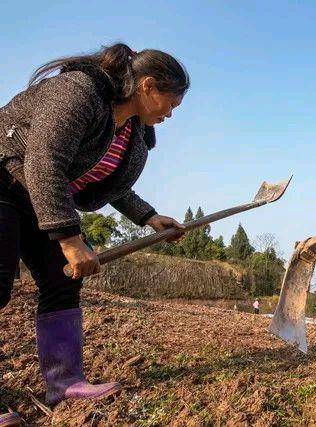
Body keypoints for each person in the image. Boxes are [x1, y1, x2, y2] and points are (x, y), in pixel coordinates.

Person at [0, 43, 189, 412]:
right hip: (4, 178)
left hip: (39, 194)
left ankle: (66, 384)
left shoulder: (132, 133)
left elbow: (110, 183)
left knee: (63, 282)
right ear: (148, 86)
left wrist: (148, 216)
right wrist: (69, 239)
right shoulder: (79, 92)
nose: (170, 113)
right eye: (171, 103)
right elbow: (44, 160)